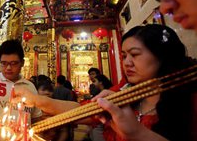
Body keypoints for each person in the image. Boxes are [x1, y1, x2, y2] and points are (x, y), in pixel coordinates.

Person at [13, 25, 195, 141]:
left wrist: (137, 134)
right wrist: (34, 99)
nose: (127, 62)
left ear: (162, 56)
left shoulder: (190, 97)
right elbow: (83, 110)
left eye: (135, 54)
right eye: (124, 56)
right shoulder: (124, 91)